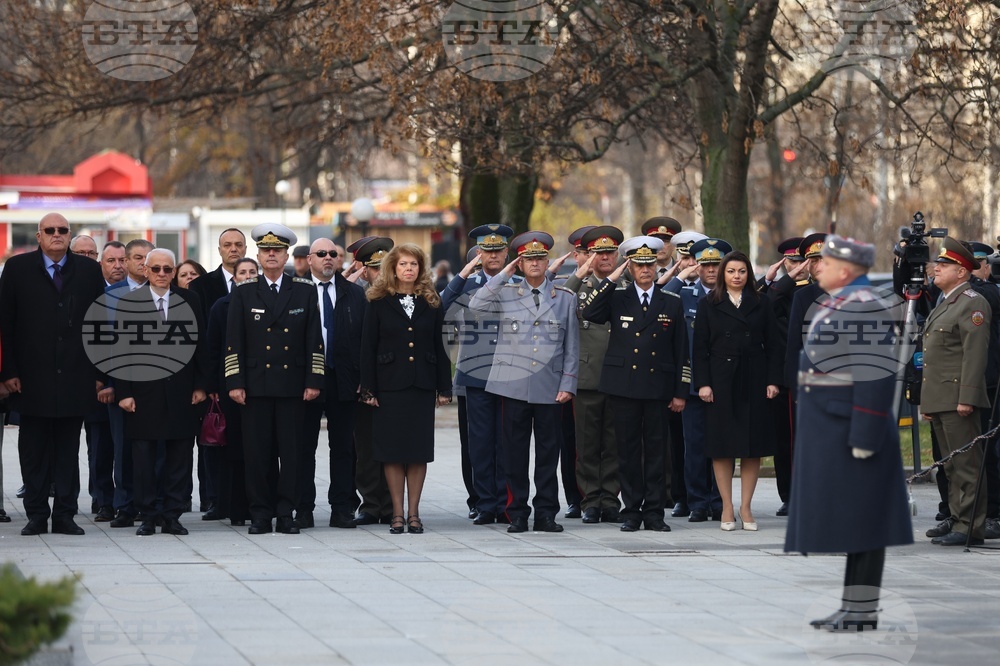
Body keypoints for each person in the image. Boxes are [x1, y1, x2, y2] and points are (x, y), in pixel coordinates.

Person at [786, 235, 912, 632]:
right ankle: (853, 606)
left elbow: (874, 376)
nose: (816, 267)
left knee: (865, 522)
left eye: (823, 262)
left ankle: (863, 610)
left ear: (846, 269)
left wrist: (865, 433)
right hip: (835, 426)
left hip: (853, 428)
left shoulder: (862, 307)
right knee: (856, 521)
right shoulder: (838, 302)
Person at [0, 213, 106, 536]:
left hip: (76, 375)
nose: (57, 235)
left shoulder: (88, 270)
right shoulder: (17, 269)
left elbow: (100, 325)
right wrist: (7, 372)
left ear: (70, 235)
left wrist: (101, 373)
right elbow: (5, 323)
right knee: (32, 449)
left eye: (63, 230)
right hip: (30, 378)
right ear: (39, 236)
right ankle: (35, 513)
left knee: (68, 448)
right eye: (50, 230)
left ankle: (65, 514)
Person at [470, 231, 579, 533]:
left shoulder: (564, 298)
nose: (535, 263)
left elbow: (572, 346)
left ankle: (546, 512)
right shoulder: (505, 292)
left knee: (548, 455)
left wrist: (568, 384)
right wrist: (504, 273)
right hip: (513, 385)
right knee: (514, 454)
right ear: (519, 263)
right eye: (528, 259)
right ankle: (516, 511)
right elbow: (477, 305)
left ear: (548, 262)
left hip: (550, 386)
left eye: (540, 258)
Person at [582, 235, 688, 532]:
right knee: (627, 452)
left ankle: (654, 512)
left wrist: (681, 391)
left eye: (650, 264)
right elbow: (589, 312)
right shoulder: (617, 297)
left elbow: (682, 351)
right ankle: (630, 511)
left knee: (656, 452)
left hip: (657, 386)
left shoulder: (671, 301)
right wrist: (612, 279)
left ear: (657, 266)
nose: (645, 270)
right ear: (629, 267)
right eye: (638, 265)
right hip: (624, 386)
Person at [226, 223, 325, 535]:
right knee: (256, 454)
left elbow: (314, 341)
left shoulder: (305, 291)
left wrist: (314, 380)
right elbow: (233, 342)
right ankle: (260, 513)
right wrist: (235, 382)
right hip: (254, 385)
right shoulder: (243, 292)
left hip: (293, 385)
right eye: (266, 250)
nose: (272, 254)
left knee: (292, 453)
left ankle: (286, 512)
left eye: (278, 250)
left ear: (286, 257)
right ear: (257, 255)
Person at [360, 244, 452, 535]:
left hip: (421, 386)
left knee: (417, 451)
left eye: (414, 264)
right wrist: (369, 389)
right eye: (403, 264)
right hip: (389, 386)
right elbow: (368, 348)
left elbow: (440, 346)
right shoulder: (377, 301)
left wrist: (443, 387)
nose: (409, 269)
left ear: (420, 269)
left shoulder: (432, 302)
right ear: (393, 268)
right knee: (392, 451)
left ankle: (414, 514)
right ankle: (396, 514)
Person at [116, 249, 208, 536]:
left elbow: (200, 346)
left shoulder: (190, 300)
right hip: (143, 394)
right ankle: (147, 515)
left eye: (167, 269)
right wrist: (124, 392)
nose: (161, 275)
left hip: (181, 392)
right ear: (146, 270)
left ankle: (172, 515)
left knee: (180, 457)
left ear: (173, 271)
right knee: (143, 459)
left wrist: (201, 386)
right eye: (155, 269)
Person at [693, 250, 783, 530]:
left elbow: (775, 346)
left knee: (751, 446)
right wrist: (704, 383)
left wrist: (773, 380)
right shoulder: (709, 303)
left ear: (749, 274)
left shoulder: (762, 302)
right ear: (722, 274)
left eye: (742, 272)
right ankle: (727, 507)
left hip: (754, 378)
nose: (736, 276)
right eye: (731, 271)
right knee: (722, 447)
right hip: (720, 380)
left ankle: (746, 506)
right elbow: (700, 349)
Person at [439, 225, 518, 525]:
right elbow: (440, 308)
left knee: (507, 441)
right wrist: (462, 275)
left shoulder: (518, 282)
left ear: (506, 252)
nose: (493, 256)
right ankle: (485, 503)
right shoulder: (466, 284)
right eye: (487, 250)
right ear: (479, 253)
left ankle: (507, 502)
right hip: (475, 373)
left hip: (511, 373)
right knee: (481, 442)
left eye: (498, 250)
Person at [921, 237, 992, 546]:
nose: (936, 267)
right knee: (950, 464)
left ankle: (970, 525)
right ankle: (957, 518)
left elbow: (974, 354)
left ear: (962, 271)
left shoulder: (973, 302)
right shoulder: (947, 300)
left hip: (957, 398)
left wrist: (967, 397)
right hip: (940, 398)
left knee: (966, 464)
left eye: (945, 264)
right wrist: (928, 402)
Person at [297, 238, 367, 529]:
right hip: (305, 380)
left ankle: (342, 507)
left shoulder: (353, 292)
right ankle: (303, 508)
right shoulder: (295, 291)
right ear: (309, 259)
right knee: (302, 447)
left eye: (333, 254)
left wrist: (364, 378)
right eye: (321, 254)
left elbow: (365, 339)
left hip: (344, 379)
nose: (328, 258)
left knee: (343, 448)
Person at [561, 226, 625, 524]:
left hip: (619, 375)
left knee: (613, 442)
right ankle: (589, 500)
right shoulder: (577, 286)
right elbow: (558, 300)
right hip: (586, 376)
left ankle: (610, 499)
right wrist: (579, 274)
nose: (605, 258)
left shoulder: (626, 285)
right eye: (599, 254)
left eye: (610, 253)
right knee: (586, 444)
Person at [665, 237, 728, 523]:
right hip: (692, 384)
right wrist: (682, 275)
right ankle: (697, 501)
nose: (711, 270)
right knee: (694, 446)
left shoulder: (732, 296)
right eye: (705, 265)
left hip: (724, 383)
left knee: (722, 445)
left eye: (716, 264)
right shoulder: (687, 295)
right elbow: (663, 297)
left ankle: (719, 501)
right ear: (697, 266)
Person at [188, 228, 247, 519]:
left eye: (238, 244)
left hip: (251, 380)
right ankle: (215, 500)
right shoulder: (202, 286)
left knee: (246, 443)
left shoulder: (258, 284)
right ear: (219, 249)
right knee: (215, 442)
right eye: (228, 245)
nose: (233, 249)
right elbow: (202, 339)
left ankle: (244, 501)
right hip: (218, 382)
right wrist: (208, 382)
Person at [759, 238, 813, 517]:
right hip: (784, 376)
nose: (800, 267)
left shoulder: (816, 291)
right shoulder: (781, 291)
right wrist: (783, 280)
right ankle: (789, 494)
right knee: (785, 439)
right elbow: (764, 307)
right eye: (793, 262)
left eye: (804, 261)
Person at [104, 239, 155, 529]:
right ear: (126, 260)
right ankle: (125, 506)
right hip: (120, 384)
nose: (142, 263)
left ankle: (153, 503)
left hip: (157, 385)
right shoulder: (110, 295)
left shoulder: (166, 294)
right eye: (136, 257)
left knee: (156, 447)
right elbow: (103, 342)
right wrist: (111, 384)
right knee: (123, 447)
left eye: (147, 258)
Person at [205, 257, 259, 526]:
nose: (247, 276)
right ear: (234, 277)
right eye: (242, 272)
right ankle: (235, 508)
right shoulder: (221, 306)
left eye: (252, 272)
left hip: (261, 387)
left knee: (260, 449)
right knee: (234, 450)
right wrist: (215, 387)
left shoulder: (265, 302)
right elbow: (213, 350)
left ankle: (260, 504)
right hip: (229, 388)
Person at [347, 236, 396, 525]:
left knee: (392, 444)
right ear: (364, 270)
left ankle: (392, 505)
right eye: (374, 268)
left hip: (393, 379)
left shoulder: (402, 293)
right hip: (362, 381)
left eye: (384, 267)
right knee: (365, 445)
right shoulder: (353, 295)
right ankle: (370, 503)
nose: (379, 274)